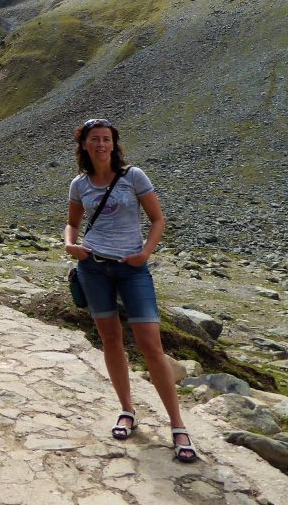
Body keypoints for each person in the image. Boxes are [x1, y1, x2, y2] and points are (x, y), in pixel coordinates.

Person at [63, 118, 198, 463]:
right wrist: (69, 244)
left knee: (151, 345)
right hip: (93, 266)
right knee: (110, 340)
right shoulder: (79, 184)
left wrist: (145, 253)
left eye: (107, 139)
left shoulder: (134, 177)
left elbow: (158, 219)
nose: (102, 145)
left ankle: (178, 426)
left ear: (114, 144)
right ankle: (127, 410)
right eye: (95, 140)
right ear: (85, 146)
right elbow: (73, 222)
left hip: (132, 269)